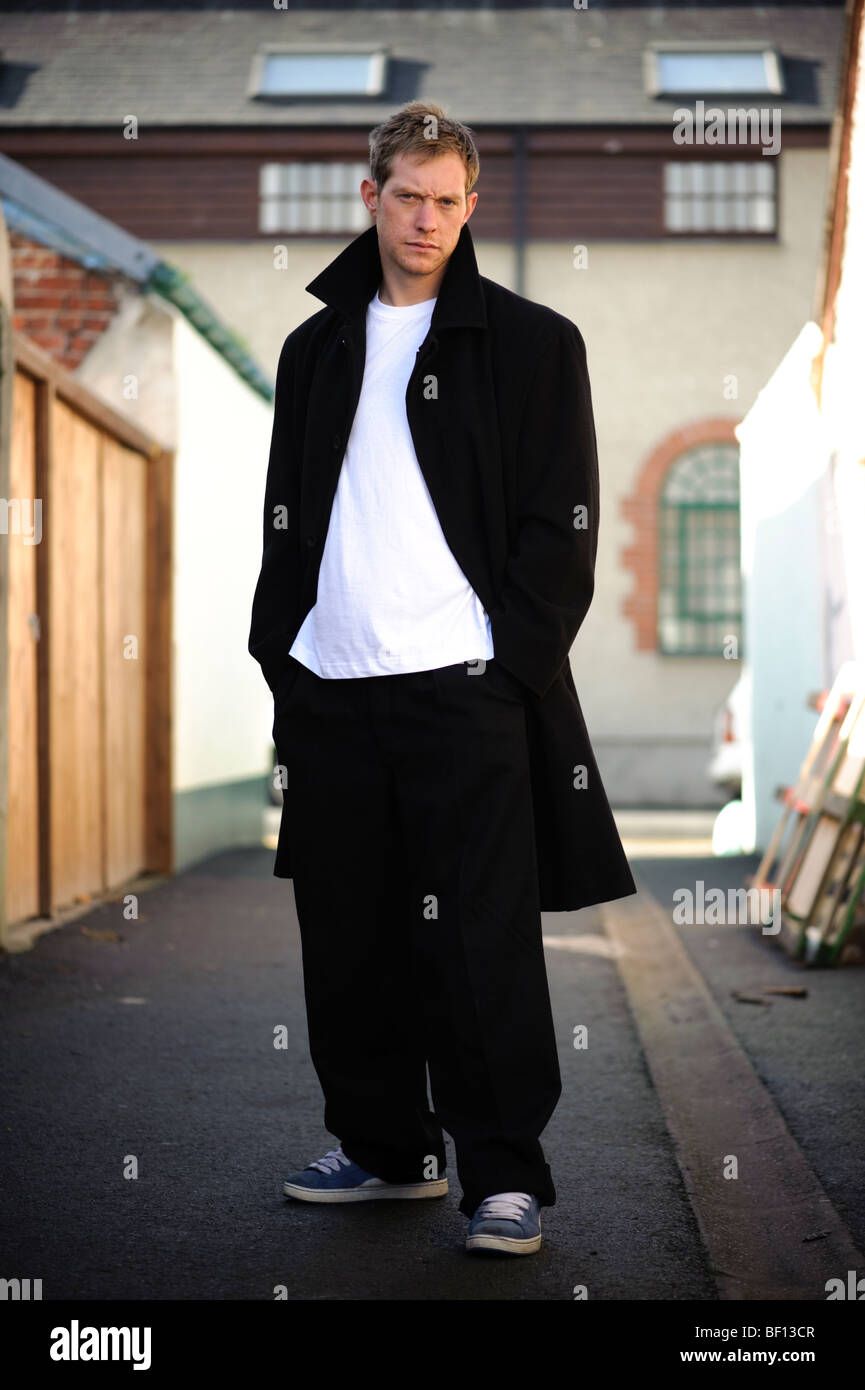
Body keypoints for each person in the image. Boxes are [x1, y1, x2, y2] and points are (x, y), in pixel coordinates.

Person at [248, 100, 636, 1257]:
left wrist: (507, 661)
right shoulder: (315, 348)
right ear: (369, 200)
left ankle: (502, 1178)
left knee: (479, 943)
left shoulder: (530, 341)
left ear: (473, 206)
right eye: (406, 197)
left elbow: (560, 527)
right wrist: (283, 650)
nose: (426, 220)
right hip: (334, 687)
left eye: (447, 201)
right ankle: (387, 1149)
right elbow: (286, 517)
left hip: (465, 689)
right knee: (350, 936)